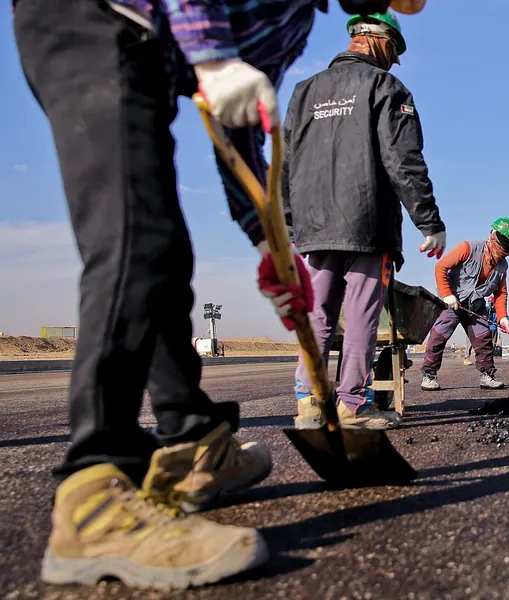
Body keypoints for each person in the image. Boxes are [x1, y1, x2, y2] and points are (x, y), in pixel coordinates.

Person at [12, 0, 414, 589]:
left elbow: (240, 128)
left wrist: (267, 243)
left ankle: (193, 441)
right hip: (91, 21)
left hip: (145, 55)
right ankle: (96, 498)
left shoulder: (295, 21)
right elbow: (220, 70)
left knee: (167, 257)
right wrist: (215, 56)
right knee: (134, 240)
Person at [283, 12, 446, 430]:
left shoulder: (303, 92)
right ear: (378, 39)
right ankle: (352, 404)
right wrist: (428, 221)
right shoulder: (385, 87)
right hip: (366, 222)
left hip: (313, 226)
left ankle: (309, 403)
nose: (394, 61)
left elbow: (285, 163)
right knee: (360, 314)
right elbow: (403, 160)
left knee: (317, 312)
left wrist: (289, 222)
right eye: (394, 51)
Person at [421, 219, 509, 390]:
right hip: (453, 302)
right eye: (503, 246)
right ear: (492, 237)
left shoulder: (503, 266)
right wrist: (447, 295)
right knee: (438, 336)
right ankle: (429, 376)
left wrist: (503, 318)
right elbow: (441, 267)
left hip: (476, 305)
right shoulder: (468, 248)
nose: (505, 251)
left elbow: (500, 293)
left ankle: (487, 376)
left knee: (484, 339)